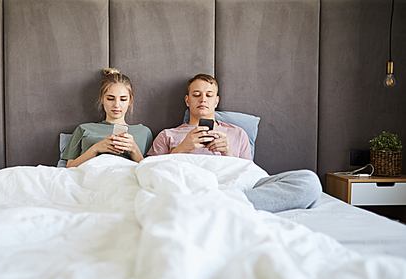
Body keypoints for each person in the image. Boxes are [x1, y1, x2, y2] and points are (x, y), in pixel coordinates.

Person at [147, 73, 322, 213]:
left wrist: (229, 154)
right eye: (196, 95)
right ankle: (224, 204)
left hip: (234, 185)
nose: (203, 100)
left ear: (216, 101)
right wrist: (182, 149)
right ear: (187, 100)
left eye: (209, 95)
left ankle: (217, 204)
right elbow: (148, 172)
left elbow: (249, 174)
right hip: (191, 185)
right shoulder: (167, 135)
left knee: (309, 182)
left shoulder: (238, 133)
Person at [61, 68, 153, 168]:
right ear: (102, 99)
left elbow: (151, 171)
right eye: (110, 98)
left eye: (123, 99)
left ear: (130, 101)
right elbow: (69, 168)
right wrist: (95, 149)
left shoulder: (144, 132)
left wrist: (134, 149)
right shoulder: (83, 129)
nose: (117, 105)